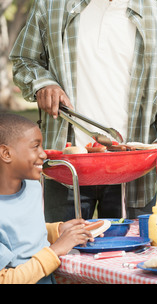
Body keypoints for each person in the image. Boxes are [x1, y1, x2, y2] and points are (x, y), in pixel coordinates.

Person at [10, 0, 157, 221]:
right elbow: (24, 59)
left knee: (134, 255)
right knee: (61, 254)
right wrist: (43, 83)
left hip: (132, 172)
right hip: (66, 167)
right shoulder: (51, 1)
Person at [0, 113, 94, 284]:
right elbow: (6, 280)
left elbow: (21, 233)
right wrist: (55, 250)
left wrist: (58, 230)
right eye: (35, 147)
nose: (43, 154)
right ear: (6, 153)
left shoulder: (33, 186)